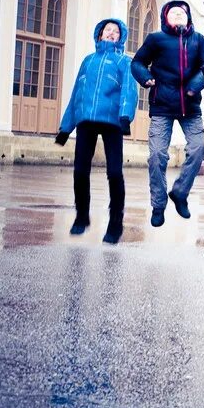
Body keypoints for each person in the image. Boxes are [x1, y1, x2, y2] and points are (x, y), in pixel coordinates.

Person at [55, 18, 138, 244]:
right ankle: (81, 216)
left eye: (115, 31)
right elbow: (77, 94)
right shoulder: (88, 61)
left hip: (112, 122)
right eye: (107, 30)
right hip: (86, 122)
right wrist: (66, 127)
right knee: (80, 171)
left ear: (120, 37)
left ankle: (115, 224)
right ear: (99, 35)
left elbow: (129, 91)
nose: (111, 33)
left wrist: (125, 116)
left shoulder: (124, 62)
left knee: (114, 172)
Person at [131, 0, 204, 227]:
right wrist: (145, 79)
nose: (178, 15)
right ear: (166, 17)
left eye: (182, 12)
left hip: (190, 107)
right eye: (173, 12)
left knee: (198, 149)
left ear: (188, 17)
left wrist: (194, 86)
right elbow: (137, 62)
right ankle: (158, 205)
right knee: (157, 156)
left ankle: (180, 193)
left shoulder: (199, 40)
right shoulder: (156, 39)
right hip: (162, 105)